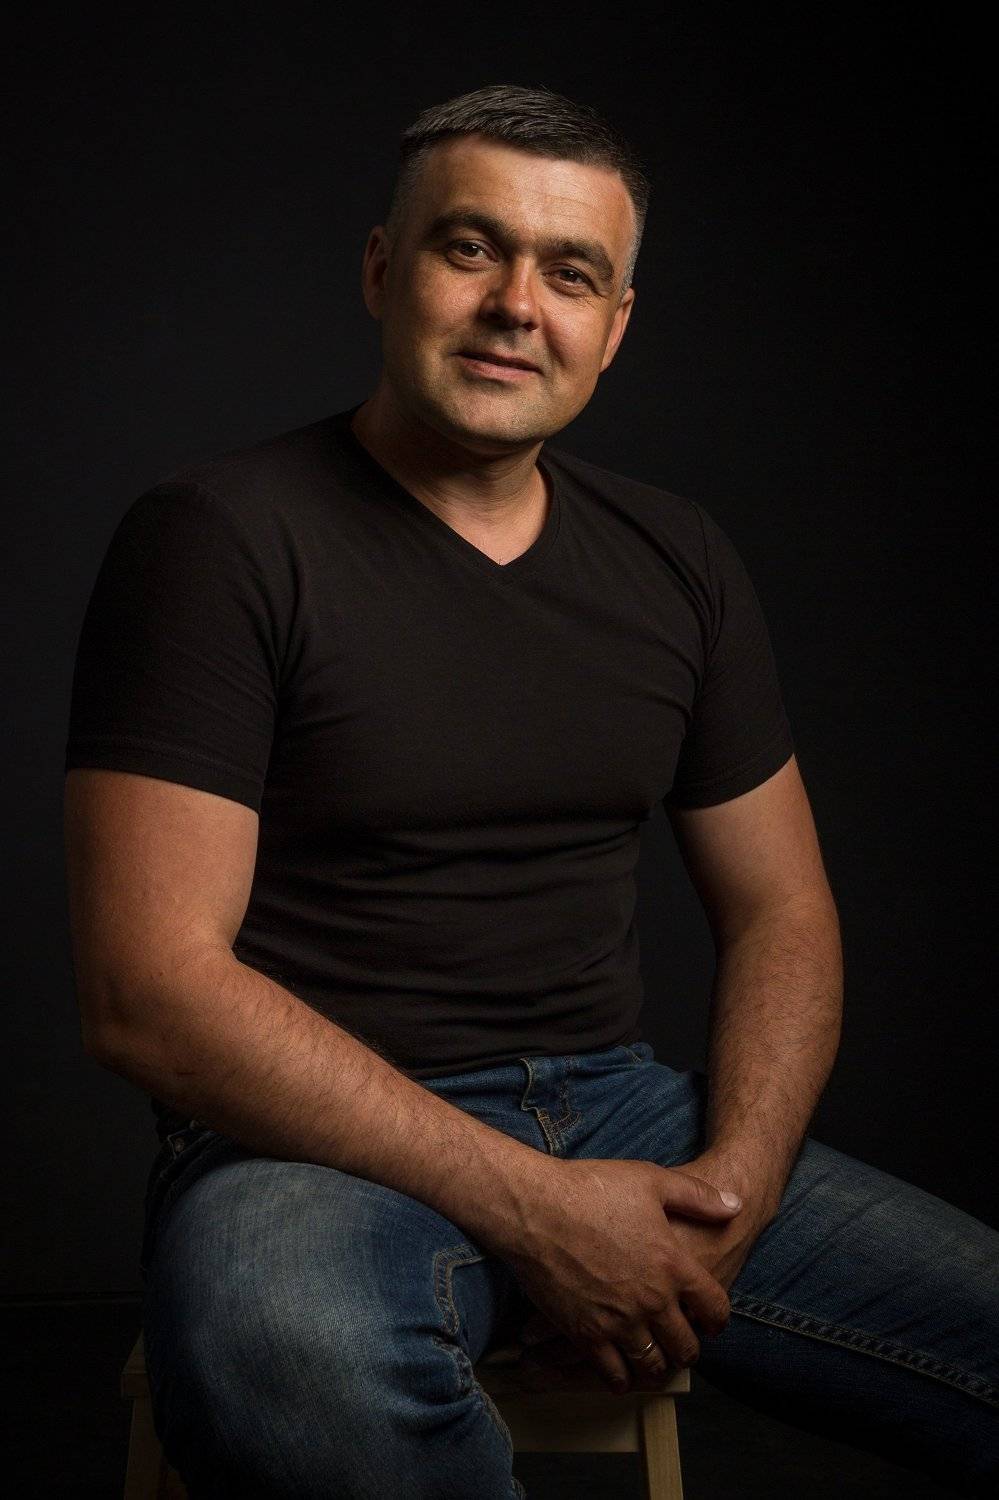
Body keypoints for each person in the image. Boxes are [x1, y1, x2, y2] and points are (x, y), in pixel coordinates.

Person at [63, 83, 996, 1499]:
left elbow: (784, 912)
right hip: (309, 1146)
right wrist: (542, 1213)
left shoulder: (678, 556)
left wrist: (731, 1198)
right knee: (283, 1358)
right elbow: (148, 990)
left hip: (622, 1114)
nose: (516, 306)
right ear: (383, 270)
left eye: (570, 274)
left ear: (613, 327)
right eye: (470, 249)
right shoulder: (219, 539)